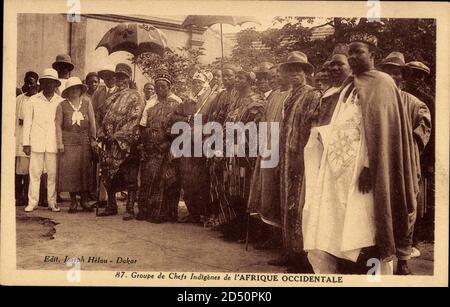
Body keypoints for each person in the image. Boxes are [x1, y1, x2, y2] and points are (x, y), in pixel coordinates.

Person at [302, 33, 419, 275]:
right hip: (341, 166)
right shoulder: (348, 86)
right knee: (341, 218)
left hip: (368, 168)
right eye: (351, 52)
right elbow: (341, 122)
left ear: (372, 55)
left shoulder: (383, 83)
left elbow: (381, 132)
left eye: (359, 52)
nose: (354, 57)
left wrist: (369, 166)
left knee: (366, 223)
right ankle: (346, 265)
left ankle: (373, 272)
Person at [380, 53, 432, 259]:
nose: (392, 77)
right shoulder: (372, 101)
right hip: (379, 163)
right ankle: (381, 255)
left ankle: (403, 258)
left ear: (403, 76)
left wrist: (408, 150)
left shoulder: (414, 103)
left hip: (405, 164)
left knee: (406, 207)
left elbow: (423, 129)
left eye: (396, 73)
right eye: (388, 73)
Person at [275, 51, 321, 273]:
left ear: (306, 73)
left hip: (302, 160)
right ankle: (288, 252)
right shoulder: (288, 96)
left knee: (300, 206)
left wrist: (302, 157)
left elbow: (312, 130)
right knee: (286, 203)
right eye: (290, 70)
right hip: (285, 157)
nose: (294, 73)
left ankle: (302, 258)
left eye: (298, 70)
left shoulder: (313, 95)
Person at [248, 64, 291, 250]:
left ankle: (282, 241)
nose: (275, 80)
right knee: (266, 193)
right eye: (273, 77)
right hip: (267, 150)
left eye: (277, 76)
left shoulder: (291, 95)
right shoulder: (273, 96)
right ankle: (270, 236)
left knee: (279, 194)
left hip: (282, 151)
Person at [220, 69, 266, 241]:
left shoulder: (256, 100)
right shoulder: (234, 99)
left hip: (245, 151)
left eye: (241, 77)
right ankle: (233, 227)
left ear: (250, 81)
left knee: (244, 189)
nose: (238, 80)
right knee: (231, 188)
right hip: (230, 149)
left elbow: (256, 127)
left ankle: (247, 231)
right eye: (237, 77)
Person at [97, 63, 145, 219]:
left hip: (127, 144)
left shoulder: (135, 96)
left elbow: (135, 119)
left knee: (130, 175)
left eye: (123, 77)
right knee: (108, 174)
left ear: (128, 78)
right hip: (110, 144)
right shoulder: (111, 97)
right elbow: (102, 116)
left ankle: (130, 208)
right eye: (117, 77)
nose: (120, 80)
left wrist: (118, 135)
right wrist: (102, 133)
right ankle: (112, 206)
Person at [137, 71, 182, 223]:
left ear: (169, 87)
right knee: (149, 179)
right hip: (151, 148)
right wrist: (146, 142)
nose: (159, 90)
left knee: (168, 180)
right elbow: (143, 125)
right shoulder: (151, 102)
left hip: (169, 147)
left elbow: (180, 128)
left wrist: (167, 143)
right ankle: (147, 211)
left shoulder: (177, 103)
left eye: (163, 87)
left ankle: (166, 213)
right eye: (157, 87)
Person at [22, 68, 63, 212]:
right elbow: (27, 123)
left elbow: (61, 125)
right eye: (46, 82)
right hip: (36, 142)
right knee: (35, 173)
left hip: (52, 143)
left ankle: (52, 202)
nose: (49, 85)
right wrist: (26, 143)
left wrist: (60, 143)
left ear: (56, 84)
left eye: (52, 83)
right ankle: (32, 202)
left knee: (52, 174)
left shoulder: (61, 101)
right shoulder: (33, 100)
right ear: (42, 83)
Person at [204, 64, 239, 229]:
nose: (226, 79)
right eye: (223, 76)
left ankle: (229, 222)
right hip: (216, 140)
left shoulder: (239, 96)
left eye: (229, 76)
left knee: (229, 181)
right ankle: (216, 216)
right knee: (215, 180)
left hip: (231, 142)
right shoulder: (219, 95)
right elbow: (212, 117)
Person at [176, 72, 214, 223]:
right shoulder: (188, 100)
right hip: (187, 143)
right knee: (187, 177)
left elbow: (213, 120)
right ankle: (192, 212)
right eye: (195, 82)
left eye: (200, 82)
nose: (197, 85)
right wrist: (185, 120)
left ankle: (203, 212)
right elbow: (175, 115)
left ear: (205, 83)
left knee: (201, 179)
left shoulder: (211, 99)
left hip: (201, 143)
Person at [55, 77, 96, 213]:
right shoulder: (62, 106)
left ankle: (84, 200)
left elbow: (92, 123)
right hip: (68, 142)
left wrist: (93, 139)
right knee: (71, 172)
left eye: (76, 88)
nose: (74, 91)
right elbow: (58, 126)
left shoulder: (87, 103)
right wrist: (60, 142)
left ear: (80, 90)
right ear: (67, 91)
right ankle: (73, 201)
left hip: (84, 141)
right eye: (71, 89)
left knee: (85, 170)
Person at [91, 65, 118, 208]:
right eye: (105, 78)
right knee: (102, 166)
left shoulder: (121, 92)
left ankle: (111, 199)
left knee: (113, 166)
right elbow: (94, 113)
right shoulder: (98, 93)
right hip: (102, 133)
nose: (109, 80)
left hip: (114, 134)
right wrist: (97, 133)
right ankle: (101, 197)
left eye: (111, 77)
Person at [15, 71, 39, 206]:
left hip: (35, 138)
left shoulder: (38, 99)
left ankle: (30, 197)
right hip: (20, 138)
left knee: (33, 171)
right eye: (26, 82)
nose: (28, 85)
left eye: (31, 82)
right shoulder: (19, 99)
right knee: (21, 170)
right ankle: (19, 196)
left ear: (36, 83)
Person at [314, 52, 351, 127]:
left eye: (340, 64)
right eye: (332, 65)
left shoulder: (354, 90)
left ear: (351, 66)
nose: (334, 68)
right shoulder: (328, 92)